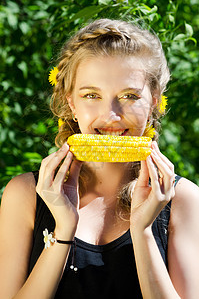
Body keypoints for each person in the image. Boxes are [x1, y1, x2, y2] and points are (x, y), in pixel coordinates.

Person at [0, 18, 199, 299]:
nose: (111, 115)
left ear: (154, 99)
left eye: (129, 96)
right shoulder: (25, 196)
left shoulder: (184, 200)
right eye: (92, 95)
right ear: (71, 102)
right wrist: (64, 228)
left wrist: (142, 231)